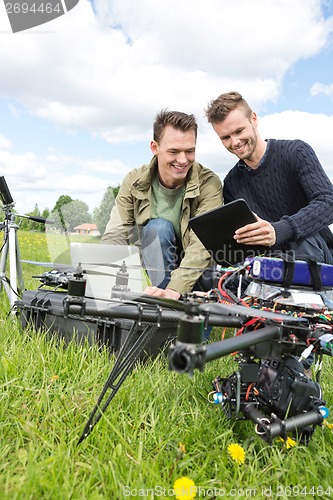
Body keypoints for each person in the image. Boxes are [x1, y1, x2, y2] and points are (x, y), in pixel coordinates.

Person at [102, 109, 223, 299]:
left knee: (191, 324)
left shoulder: (209, 183)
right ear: (154, 147)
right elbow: (117, 232)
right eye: (174, 151)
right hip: (159, 267)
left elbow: (202, 245)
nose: (183, 160)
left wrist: (175, 290)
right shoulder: (134, 180)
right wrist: (104, 276)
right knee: (158, 228)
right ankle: (163, 306)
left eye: (190, 151)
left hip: (199, 269)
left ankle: (179, 304)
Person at [205, 91, 333, 264]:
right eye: (226, 137)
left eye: (239, 131)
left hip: (319, 260)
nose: (235, 142)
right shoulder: (231, 183)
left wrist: (279, 230)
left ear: (254, 119)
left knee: (302, 241)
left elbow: (328, 202)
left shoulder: (296, 152)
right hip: (271, 266)